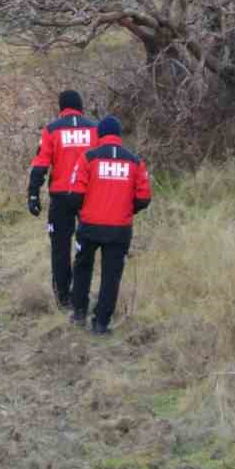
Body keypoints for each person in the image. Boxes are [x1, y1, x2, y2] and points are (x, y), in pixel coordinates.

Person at [66, 115, 152, 335]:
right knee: (111, 275)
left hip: (90, 226)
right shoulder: (134, 161)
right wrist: (126, 209)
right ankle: (101, 324)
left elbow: (74, 194)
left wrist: (83, 210)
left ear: (100, 135)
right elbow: (144, 198)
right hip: (120, 229)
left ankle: (78, 313)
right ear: (119, 136)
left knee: (83, 267)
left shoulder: (88, 158)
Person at [27, 90, 97, 310]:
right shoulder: (94, 129)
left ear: (61, 108)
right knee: (86, 247)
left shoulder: (52, 130)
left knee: (60, 248)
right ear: (80, 106)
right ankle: (81, 296)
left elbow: (41, 164)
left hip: (61, 196)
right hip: (88, 196)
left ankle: (63, 299)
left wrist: (33, 193)